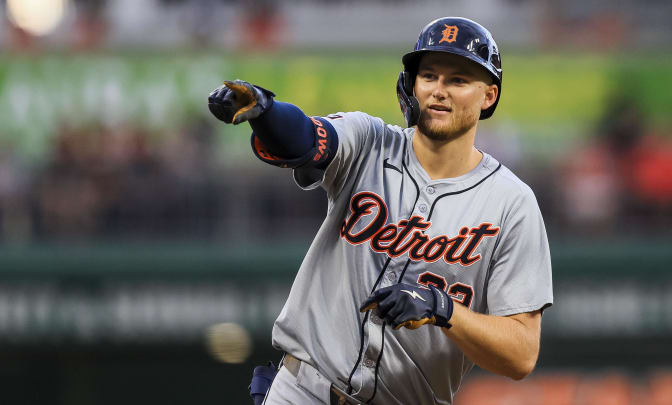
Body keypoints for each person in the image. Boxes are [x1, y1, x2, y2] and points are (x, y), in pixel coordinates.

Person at [209, 16, 553, 405]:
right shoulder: (369, 141)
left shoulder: (512, 203)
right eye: (430, 76)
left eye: (458, 80)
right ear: (412, 84)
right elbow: (305, 139)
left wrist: (443, 308)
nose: (439, 91)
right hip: (304, 389)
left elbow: (522, 353)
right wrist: (267, 112)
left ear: (488, 95)